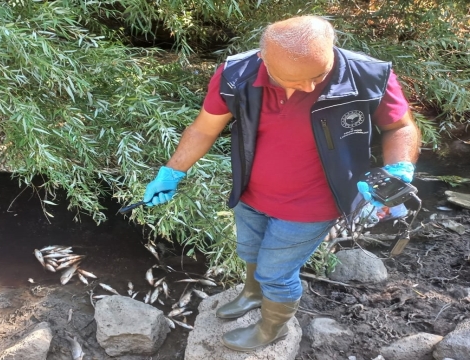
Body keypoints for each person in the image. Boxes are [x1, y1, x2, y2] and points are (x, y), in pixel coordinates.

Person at [141, 15, 420, 352]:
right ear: (264, 59)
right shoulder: (236, 73)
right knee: (249, 250)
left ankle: (274, 328)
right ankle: (252, 294)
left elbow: (400, 127)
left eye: (317, 77)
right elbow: (204, 128)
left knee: (277, 273)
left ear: (330, 49)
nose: (306, 88)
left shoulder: (368, 74)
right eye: (290, 80)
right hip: (250, 193)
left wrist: (399, 168)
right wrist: (172, 172)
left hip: (313, 205)